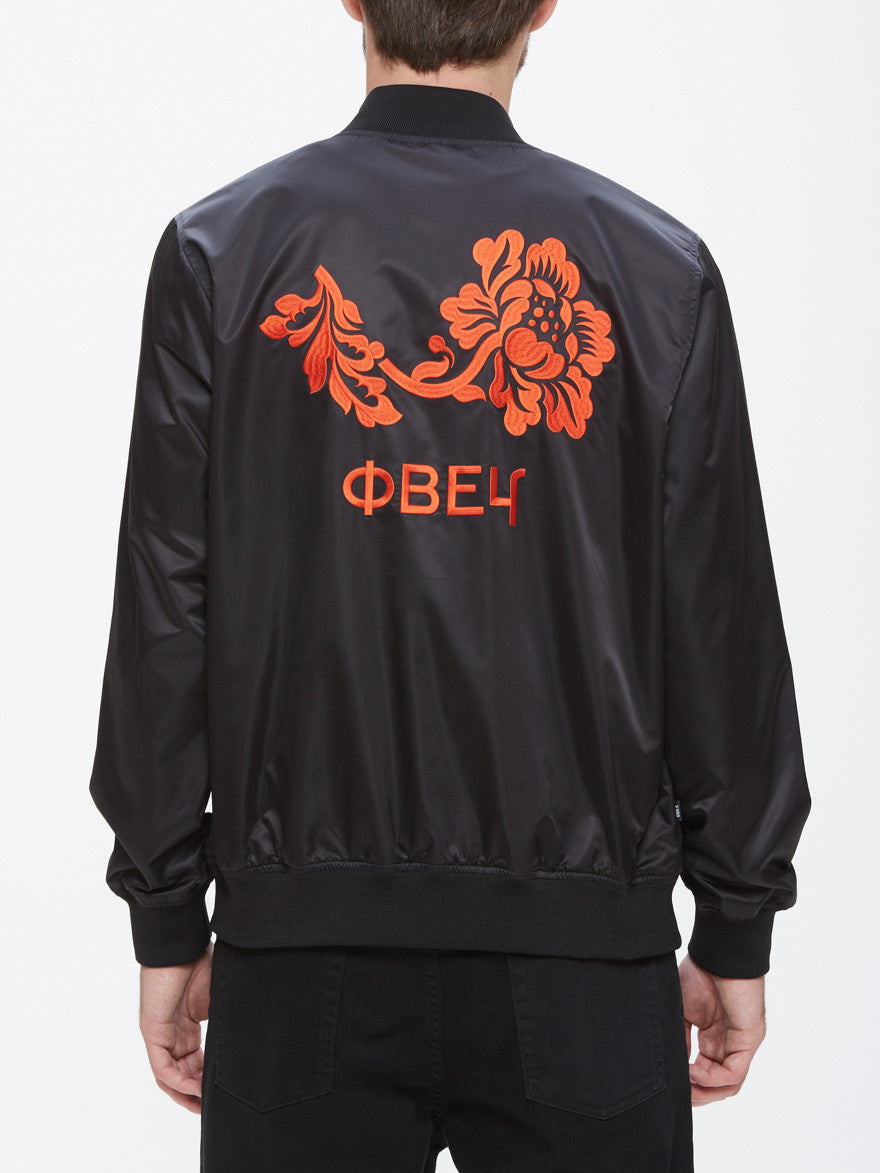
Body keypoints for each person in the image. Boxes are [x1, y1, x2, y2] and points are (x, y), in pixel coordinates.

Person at [87, 1, 812, 1169]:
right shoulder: (655, 270)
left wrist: (166, 914)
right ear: (544, 5)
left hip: (301, 955)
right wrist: (736, 922)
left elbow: (166, 609)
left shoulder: (220, 253)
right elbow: (716, 618)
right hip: (583, 963)